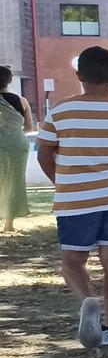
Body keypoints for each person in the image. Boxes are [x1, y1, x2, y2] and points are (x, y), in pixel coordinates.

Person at [38, 45, 108, 347]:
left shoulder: (60, 110)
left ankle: (87, 300)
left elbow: (45, 152)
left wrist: (61, 181)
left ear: (78, 75)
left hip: (75, 196)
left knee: (72, 260)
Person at [0, 64, 28, 233]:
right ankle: (9, 224)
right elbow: (29, 127)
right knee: (15, 183)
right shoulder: (22, 101)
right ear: (10, 80)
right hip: (18, 144)